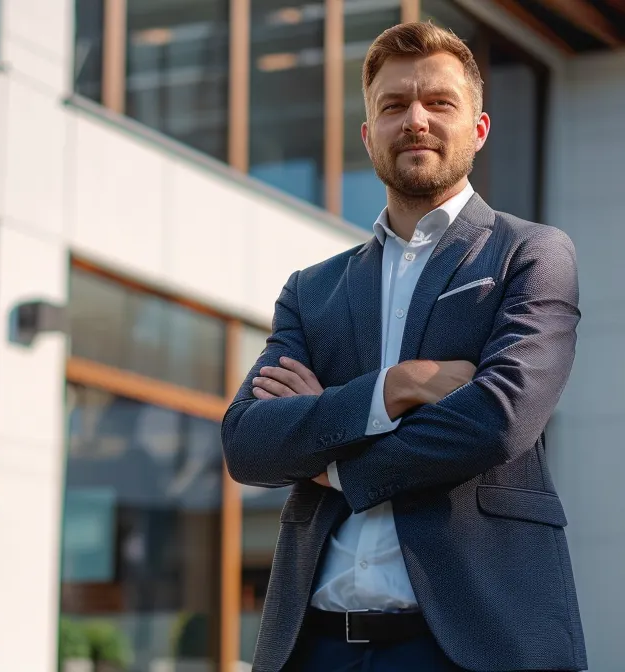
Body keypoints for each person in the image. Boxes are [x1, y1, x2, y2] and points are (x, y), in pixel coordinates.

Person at [220, 20, 586, 672]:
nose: (415, 119)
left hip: (475, 647)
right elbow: (248, 442)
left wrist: (332, 459)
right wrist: (399, 386)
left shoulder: (529, 256)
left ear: (478, 128)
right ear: (368, 136)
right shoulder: (312, 291)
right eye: (393, 106)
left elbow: (499, 418)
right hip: (313, 648)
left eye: (439, 102)